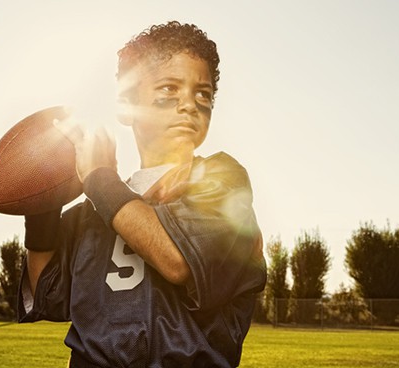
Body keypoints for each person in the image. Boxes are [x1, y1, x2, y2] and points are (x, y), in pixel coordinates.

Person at [18, 21, 266, 367]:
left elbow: (177, 260)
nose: (190, 105)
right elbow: (47, 292)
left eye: (203, 93)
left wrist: (99, 178)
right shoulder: (96, 208)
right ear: (125, 105)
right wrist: (40, 200)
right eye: (169, 88)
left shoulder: (221, 180)